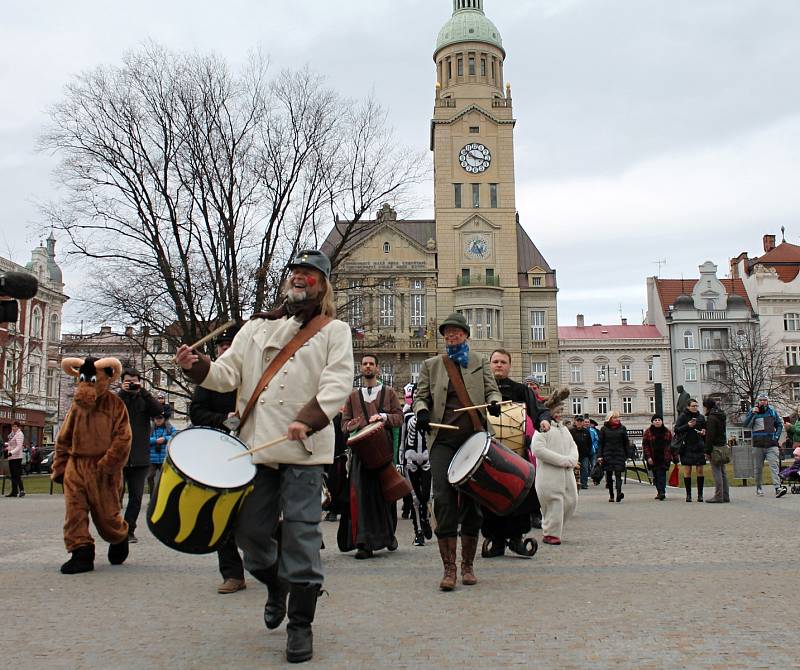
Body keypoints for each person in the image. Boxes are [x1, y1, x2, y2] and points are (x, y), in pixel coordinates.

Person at [176, 248, 352, 663]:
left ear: (322, 284)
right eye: (296, 272)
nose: (300, 278)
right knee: (250, 534)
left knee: (303, 534)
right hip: (258, 448)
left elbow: (337, 380)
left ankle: (300, 626)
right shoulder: (255, 328)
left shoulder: (333, 331)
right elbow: (224, 375)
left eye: (309, 273)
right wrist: (196, 365)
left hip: (304, 449)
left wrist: (308, 419)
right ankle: (276, 585)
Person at [413, 312, 502, 591]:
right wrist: (422, 411)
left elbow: (492, 391)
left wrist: (495, 403)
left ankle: (468, 566)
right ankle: (449, 569)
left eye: (456, 332)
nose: (451, 336)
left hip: (474, 440)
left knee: (473, 502)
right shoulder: (432, 365)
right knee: (443, 499)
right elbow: (420, 396)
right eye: (447, 333)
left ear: (465, 335)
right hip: (442, 440)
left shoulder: (479, 362)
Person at [188, 323, 249, 595]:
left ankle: (271, 565)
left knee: (262, 512)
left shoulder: (251, 375)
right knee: (221, 514)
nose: (225, 350)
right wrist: (224, 421)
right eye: (221, 346)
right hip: (220, 452)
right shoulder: (209, 379)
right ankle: (232, 573)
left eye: (230, 346)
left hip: (253, 449)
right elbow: (197, 413)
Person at [481, 349, 550, 557]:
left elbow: (539, 410)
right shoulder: (481, 390)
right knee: (491, 499)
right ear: (489, 365)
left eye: (503, 362)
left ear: (509, 366)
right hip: (489, 456)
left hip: (516, 455)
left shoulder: (521, 390)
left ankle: (517, 539)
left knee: (518, 500)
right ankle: (496, 541)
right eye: (495, 362)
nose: (499, 365)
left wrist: (544, 420)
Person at [339, 354, 403, 559]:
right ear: (361, 368)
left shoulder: (389, 393)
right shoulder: (352, 397)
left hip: (382, 452)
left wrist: (383, 417)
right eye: (364, 364)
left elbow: (399, 418)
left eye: (371, 364)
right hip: (360, 454)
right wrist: (352, 425)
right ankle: (363, 543)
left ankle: (388, 536)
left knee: (385, 494)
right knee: (360, 496)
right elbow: (344, 425)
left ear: (377, 369)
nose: (367, 367)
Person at [117, 369, 164, 542]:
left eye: (134, 381)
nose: (131, 384)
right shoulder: (118, 399)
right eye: (128, 381)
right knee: (115, 496)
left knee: (136, 497)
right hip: (119, 456)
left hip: (140, 457)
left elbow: (159, 410)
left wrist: (143, 391)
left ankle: (129, 529)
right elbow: (108, 410)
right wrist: (122, 391)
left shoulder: (144, 400)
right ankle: (115, 528)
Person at [531, 388, 578, 545]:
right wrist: (563, 460)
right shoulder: (543, 429)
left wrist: (572, 459)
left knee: (571, 501)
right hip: (550, 476)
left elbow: (573, 446)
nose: (559, 414)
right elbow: (538, 450)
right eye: (556, 411)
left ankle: (555, 528)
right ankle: (551, 532)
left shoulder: (563, 429)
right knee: (554, 502)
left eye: (561, 411)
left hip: (566, 474)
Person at [745, 393, 786, 498]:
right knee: (758, 468)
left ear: (767, 401)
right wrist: (752, 414)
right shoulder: (752, 411)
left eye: (765, 400)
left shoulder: (772, 412)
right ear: (758, 401)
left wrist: (776, 436)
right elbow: (746, 425)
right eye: (761, 400)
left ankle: (778, 488)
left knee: (774, 466)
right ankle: (759, 487)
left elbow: (779, 425)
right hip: (758, 445)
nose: (763, 402)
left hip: (771, 444)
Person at [674, 398, 707, 502]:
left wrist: (703, 432)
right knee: (687, 470)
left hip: (698, 445)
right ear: (688, 407)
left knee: (700, 470)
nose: (695, 408)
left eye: (696, 406)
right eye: (693, 406)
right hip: (686, 446)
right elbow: (676, 429)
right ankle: (688, 495)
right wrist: (687, 425)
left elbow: (705, 429)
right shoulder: (683, 416)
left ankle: (700, 495)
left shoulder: (701, 417)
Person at [598, 410, 630, 503]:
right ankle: (611, 494)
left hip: (619, 454)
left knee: (618, 474)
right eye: (615, 417)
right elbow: (601, 443)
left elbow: (626, 442)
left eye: (618, 417)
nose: (617, 419)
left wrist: (627, 454)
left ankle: (619, 493)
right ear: (609, 419)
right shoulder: (604, 429)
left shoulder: (622, 428)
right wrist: (599, 456)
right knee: (609, 475)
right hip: (607, 454)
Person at [642, 414, 675, 500]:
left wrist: (674, 456)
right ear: (652, 422)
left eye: (659, 420)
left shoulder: (667, 431)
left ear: (662, 421)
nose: (657, 421)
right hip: (653, 457)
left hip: (664, 457)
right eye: (655, 420)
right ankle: (659, 490)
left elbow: (672, 445)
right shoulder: (648, 432)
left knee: (662, 474)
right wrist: (648, 457)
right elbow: (645, 445)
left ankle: (662, 492)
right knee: (656, 475)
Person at [703, 398, 729, 503]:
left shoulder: (711, 418)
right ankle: (725, 495)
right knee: (723, 472)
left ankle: (718, 496)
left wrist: (707, 450)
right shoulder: (721, 416)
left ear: (707, 407)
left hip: (715, 447)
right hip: (722, 445)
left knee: (717, 471)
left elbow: (710, 436)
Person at [147, 413, 176, 495]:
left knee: (165, 478)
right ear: (154, 419)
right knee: (150, 477)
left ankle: (163, 495)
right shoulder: (150, 428)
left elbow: (175, 435)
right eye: (156, 418)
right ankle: (152, 497)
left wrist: (165, 438)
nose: (158, 420)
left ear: (164, 419)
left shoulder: (169, 428)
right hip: (152, 459)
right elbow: (145, 439)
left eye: (160, 418)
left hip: (165, 458)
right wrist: (155, 440)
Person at [569, 416, 593, 490]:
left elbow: (590, 443)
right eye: (578, 421)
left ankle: (584, 484)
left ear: (583, 422)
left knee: (585, 469)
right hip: (574, 454)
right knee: (572, 470)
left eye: (581, 421)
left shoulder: (586, 431)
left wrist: (588, 452)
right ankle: (573, 484)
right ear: (575, 422)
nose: (579, 423)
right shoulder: (571, 431)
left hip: (584, 454)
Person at [4, 421, 26, 497]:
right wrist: (6, 449)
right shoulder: (12, 434)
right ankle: (14, 491)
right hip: (11, 457)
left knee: (17, 474)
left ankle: (22, 490)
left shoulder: (20, 434)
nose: (13, 428)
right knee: (13, 475)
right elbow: (11, 445)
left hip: (17, 457)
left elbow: (19, 446)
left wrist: (11, 452)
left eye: (15, 426)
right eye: (13, 426)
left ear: (18, 427)